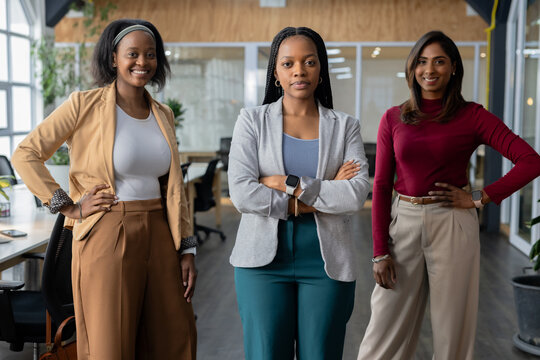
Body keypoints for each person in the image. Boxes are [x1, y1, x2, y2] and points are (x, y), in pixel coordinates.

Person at [12, 19, 198, 360]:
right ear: (113, 58)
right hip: (107, 229)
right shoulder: (84, 104)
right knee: (109, 343)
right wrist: (68, 206)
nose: (142, 62)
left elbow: (173, 190)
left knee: (174, 336)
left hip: (160, 230)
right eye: (133, 54)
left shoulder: (162, 114)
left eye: (150, 54)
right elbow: (26, 154)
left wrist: (187, 248)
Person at [358, 30, 540, 360]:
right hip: (404, 224)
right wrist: (379, 252)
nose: (430, 69)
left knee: (452, 329)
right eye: (422, 62)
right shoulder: (393, 117)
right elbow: (382, 185)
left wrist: (481, 196)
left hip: (454, 224)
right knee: (383, 327)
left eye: (440, 61)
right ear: (412, 69)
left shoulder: (473, 116)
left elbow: (531, 160)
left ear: (453, 67)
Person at [228, 26, 370, 360]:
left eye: (308, 62)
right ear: (275, 72)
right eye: (288, 63)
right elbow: (242, 192)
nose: (299, 71)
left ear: (321, 69)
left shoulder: (345, 125)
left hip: (326, 262)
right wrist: (319, 195)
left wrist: (285, 182)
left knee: (321, 354)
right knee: (265, 354)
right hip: (261, 263)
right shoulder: (251, 121)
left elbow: (355, 194)